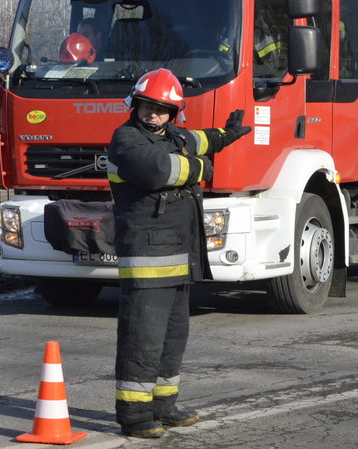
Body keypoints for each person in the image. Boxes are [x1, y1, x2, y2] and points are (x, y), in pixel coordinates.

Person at [107, 68, 251, 438]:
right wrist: (202, 167)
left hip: (178, 255)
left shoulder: (172, 135)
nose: (153, 114)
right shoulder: (125, 140)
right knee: (143, 337)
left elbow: (198, 140)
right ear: (134, 106)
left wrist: (226, 135)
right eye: (146, 107)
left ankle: (164, 405)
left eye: (161, 109)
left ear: (173, 113)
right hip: (148, 257)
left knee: (173, 336)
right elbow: (160, 170)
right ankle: (135, 416)